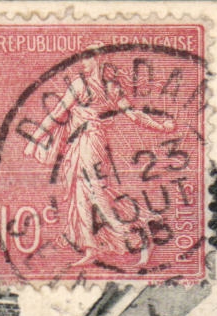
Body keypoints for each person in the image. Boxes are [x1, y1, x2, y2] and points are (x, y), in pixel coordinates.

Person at [21, 50, 177, 268]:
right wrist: (160, 126)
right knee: (82, 194)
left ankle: (136, 232)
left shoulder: (83, 86)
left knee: (94, 192)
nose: (82, 63)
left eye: (87, 58)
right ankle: (92, 247)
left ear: (97, 60)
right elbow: (132, 114)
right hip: (81, 144)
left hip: (89, 141)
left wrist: (34, 139)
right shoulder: (108, 88)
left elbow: (57, 114)